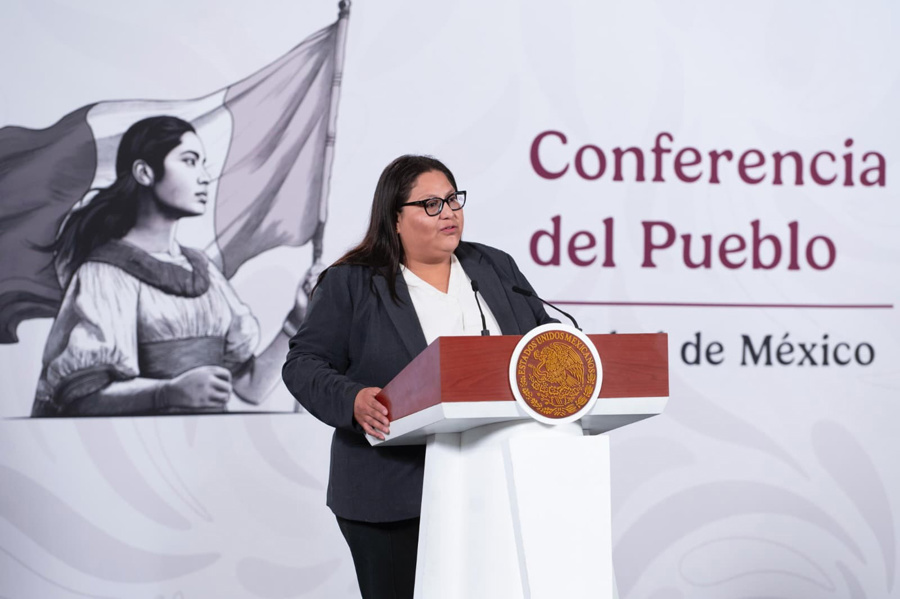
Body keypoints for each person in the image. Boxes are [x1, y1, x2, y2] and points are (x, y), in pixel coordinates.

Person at [282, 154, 556, 599]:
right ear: (394, 219)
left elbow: (543, 346)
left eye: (452, 199)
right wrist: (353, 400)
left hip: (493, 485)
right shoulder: (352, 282)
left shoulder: (495, 268)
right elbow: (303, 364)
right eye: (430, 204)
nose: (448, 212)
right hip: (392, 494)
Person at [32, 115, 309, 417]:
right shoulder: (105, 274)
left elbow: (251, 387)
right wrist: (167, 393)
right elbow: (80, 399)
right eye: (189, 161)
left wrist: (298, 320)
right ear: (144, 172)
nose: (204, 177)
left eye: (203, 163)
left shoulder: (203, 271)